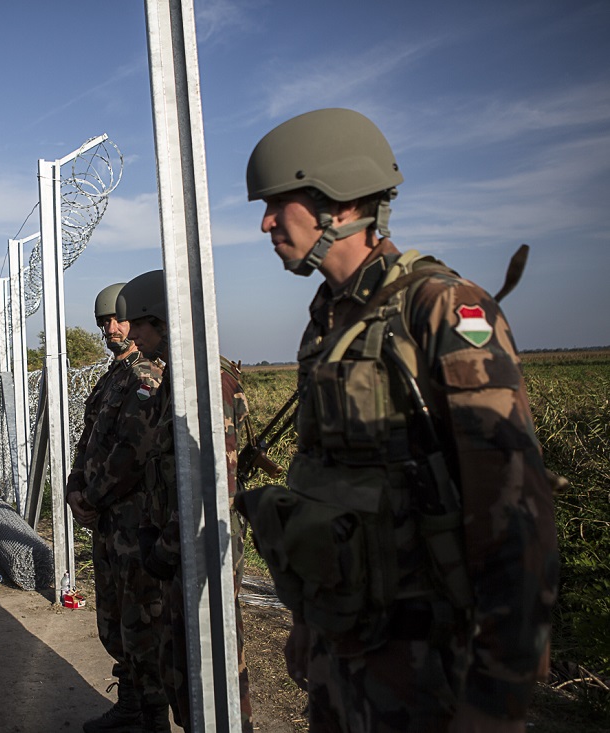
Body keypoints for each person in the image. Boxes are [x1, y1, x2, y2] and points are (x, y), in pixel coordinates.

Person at [241, 108, 559, 732]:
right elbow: (319, 478)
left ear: (340, 200)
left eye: (280, 202)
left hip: (429, 662)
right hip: (347, 645)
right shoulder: (327, 323)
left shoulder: (440, 307)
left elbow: (514, 511)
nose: (266, 221)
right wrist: (308, 620)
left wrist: (498, 698)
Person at [117, 270, 254, 732]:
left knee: (217, 676)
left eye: (139, 324)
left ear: (162, 319)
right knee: (182, 673)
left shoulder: (207, 382)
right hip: (179, 552)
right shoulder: (179, 378)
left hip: (202, 554)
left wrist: (168, 546)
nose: (132, 334)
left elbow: (217, 487)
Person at [64, 282, 167, 732]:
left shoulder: (145, 376)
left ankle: (153, 718)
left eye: (118, 320)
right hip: (109, 522)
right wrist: (73, 488)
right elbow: (88, 442)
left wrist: (92, 496)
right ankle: (130, 705)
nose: (111, 329)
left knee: (142, 622)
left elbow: (133, 452)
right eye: (104, 322)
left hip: (134, 519)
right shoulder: (112, 377)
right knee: (114, 621)